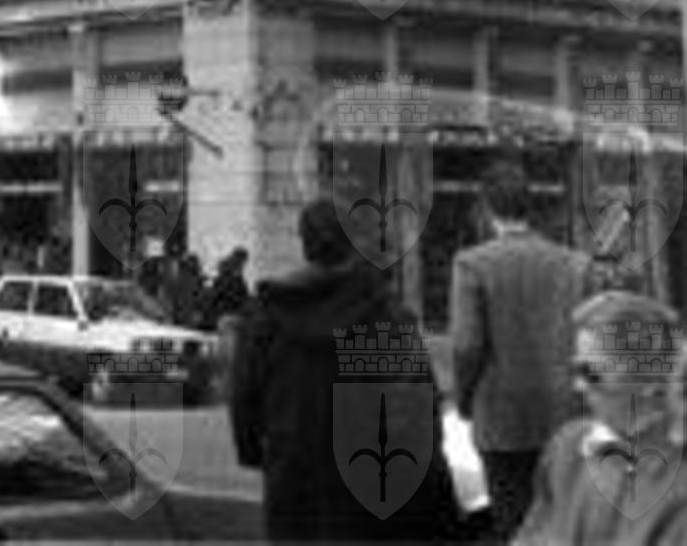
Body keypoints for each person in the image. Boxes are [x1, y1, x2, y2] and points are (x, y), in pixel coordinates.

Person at [228, 199, 457, 542]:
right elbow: (416, 403)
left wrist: (253, 451)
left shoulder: (266, 314)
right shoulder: (383, 313)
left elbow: (243, 395)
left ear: (304, 244)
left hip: (293, 471)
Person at [513, 291, 687, 545]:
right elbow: (533, 534)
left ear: (650, 383)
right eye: (576, 369)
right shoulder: (567, 449)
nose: (578, 385)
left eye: (591, 372)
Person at [449, 158, 591, 540]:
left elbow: (467, 344)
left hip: (502, 420)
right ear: (530, 208)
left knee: (513, 524)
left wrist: (464, 400)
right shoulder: (576, 265)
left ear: (486, 209)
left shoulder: (471, 265)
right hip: (565, 417)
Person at [209, 245, 252, 322]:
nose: (244, 264)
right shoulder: (231, 274)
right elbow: (223, 292)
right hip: (226, 310)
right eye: (244, 260)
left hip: (227, 307)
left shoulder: (234, 272)